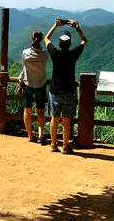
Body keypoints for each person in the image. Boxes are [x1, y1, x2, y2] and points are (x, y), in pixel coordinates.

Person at [44, 18, 87, 154]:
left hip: (55, 91)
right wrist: (77, 27)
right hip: (69, 92)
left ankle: (53, 144)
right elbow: (84, 41)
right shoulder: (73, 54)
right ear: (69, 44)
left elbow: (46, 38)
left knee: (54, 119)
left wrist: (55, 25)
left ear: (59, 44)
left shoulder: (54, 53)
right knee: (67, 121)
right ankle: (65, 147)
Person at [16, 30, 49, 144]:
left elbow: (24, 66)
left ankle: (30, 135)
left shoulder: (25, 53)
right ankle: (41, 134)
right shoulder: (45, 54)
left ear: (31, 38)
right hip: (41, 84)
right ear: (41, 39)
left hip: (28, 84)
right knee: (41, 111)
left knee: (27, 110)